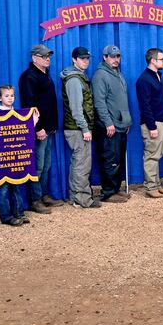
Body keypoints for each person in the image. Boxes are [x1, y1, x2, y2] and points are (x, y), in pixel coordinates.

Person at [18, 44, 65, 213]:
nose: (48, 59)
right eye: (44, 56)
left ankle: (44, 195)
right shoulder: (29, 77)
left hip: (49, 127)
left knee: (46, 164)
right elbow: (29, 106)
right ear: (34, 58)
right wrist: (37, 128)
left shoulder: (45, 75)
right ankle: (35, 199)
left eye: (49, 56)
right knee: (38, 165)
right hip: (40, 128)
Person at [0, 85, 35, 226]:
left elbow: (26, 130)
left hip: (16, 156)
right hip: (4, 157)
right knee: (4, 187)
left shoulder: (19, 114)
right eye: (7, 96)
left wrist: (34, 116)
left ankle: (19, 212)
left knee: (17, 185)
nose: (10, 98)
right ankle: (6, 216)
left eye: (12, 95)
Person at [61, 46, 101, 209]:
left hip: (75, 127)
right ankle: (83, 199)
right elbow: (76, 109)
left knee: (78, 162)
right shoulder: (74, 80)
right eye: (82, 58)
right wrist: (85, 129)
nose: (86, 61)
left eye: (87, 58)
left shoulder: (78, 77)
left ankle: (76, 197)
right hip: (77, 129)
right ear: (74, 59)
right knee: (82, 164)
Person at [93, 44, 132, 203]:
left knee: (118, 159)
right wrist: (108, 123)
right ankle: (108, 192)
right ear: (105, 57)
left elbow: (122, 101)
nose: (116, 59)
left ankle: (115, 188)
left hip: (121, 125)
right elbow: (99, 103)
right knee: (110, 159)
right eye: (112, 56)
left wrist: (126, 121)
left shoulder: (118, 74)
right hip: (109, 127)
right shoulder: (100, 75)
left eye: (118, 56)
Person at [136, 48, 163, 199]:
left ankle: (156, 185)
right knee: (151, 155)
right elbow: (145, 106)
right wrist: (152, 126)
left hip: (161, 121)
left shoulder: (157, 76)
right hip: (153, 123)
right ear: (153, 60)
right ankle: (151, 187)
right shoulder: (144, 79)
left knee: (157, 154)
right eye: (162, 59)